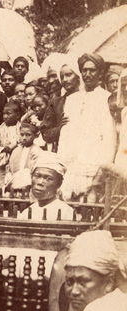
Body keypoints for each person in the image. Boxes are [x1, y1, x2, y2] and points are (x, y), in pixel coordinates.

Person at [59, 53, 117, 201]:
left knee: (89, 209)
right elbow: (65, 134)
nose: (88, 74)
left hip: (93, 167)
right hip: (71, 167)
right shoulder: (72, 100)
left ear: (100, 73)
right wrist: (62, 163)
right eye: (84, 70)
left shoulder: (106, 98)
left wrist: (102, 169)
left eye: (92, 70)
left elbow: (109, 138)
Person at [17, 153, 76, 221]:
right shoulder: (26, 213)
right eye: (37, 176)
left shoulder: (67, 213)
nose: (40, 182)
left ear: (59, 183)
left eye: (48, 178)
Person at [0, 100, 25, 194]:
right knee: (0, 186)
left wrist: (14, 147)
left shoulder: (22, 128)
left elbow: (24, 143)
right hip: (3, 163)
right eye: (4, 114)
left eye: (8, 114)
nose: (5, 116)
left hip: (18, 162)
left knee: (17, 185)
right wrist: (4, 149)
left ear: (17, 115)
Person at [4, 120, 43, 194]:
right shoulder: (15, 151)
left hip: (30, 187)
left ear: (34, 136)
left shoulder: (37, 151)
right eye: (22, 135)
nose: (24, 138)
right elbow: (9, 170)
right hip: (15, 187)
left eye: (28, 135)